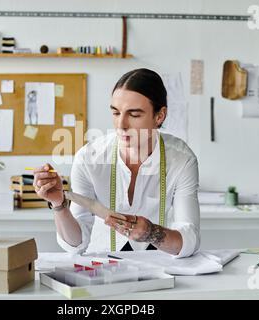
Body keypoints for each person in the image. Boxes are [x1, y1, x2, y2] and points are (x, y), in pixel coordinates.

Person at [33, 68, 200, 257]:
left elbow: (189, 240)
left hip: (161, 266)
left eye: (134, 115)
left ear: (159, 116)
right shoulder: (89, 159)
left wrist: (152, 233)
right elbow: (76, 244)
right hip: (102, 268)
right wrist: (59, 205)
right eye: (116, 113)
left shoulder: (182, 160)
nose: (121, 125)